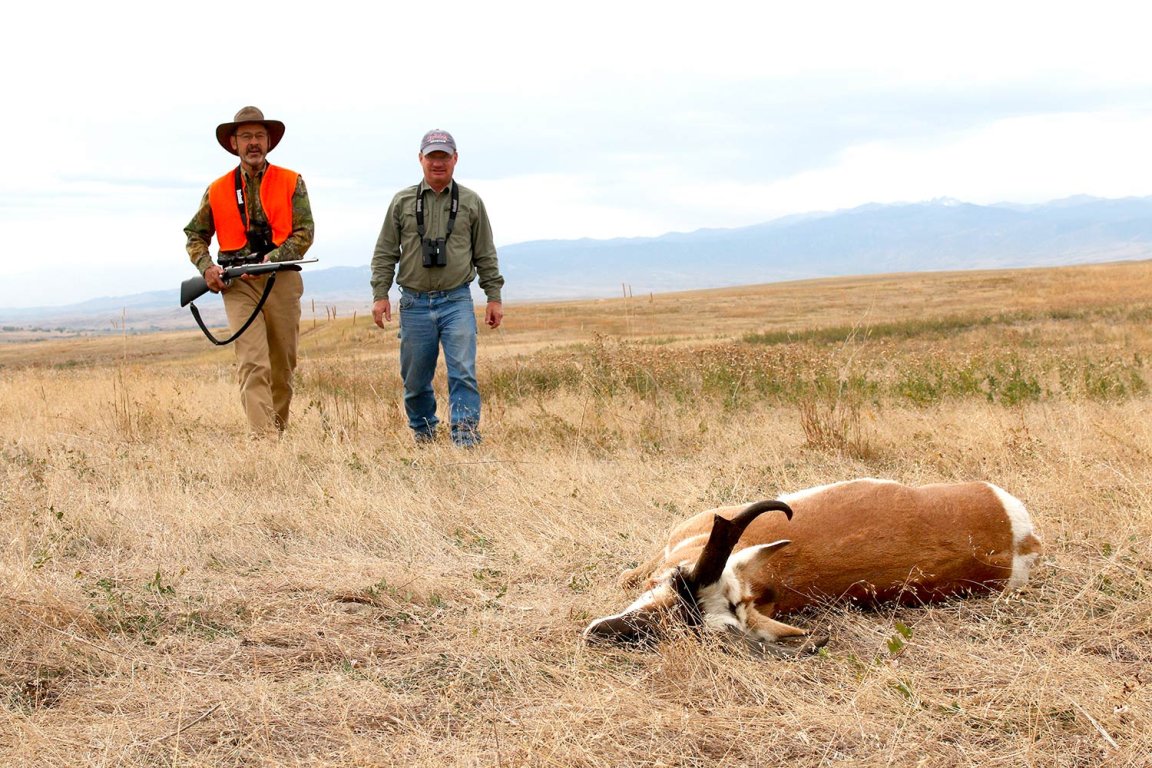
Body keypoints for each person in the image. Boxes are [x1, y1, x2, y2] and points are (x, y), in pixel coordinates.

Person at [184, 106, 315, 438]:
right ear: (233, 143)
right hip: (238, 285)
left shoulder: (291, 181)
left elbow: (305, 232)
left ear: (269, 141)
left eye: (259, 136)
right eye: (246, 137)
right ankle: (264, 444)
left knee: (282, 367)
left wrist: (272, 259)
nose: (253, 143)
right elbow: (194, 235)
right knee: (254, 364)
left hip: (281, 280)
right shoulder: (217, 189)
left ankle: (277, 433)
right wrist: (208, 268)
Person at [371, 129, 504, 447]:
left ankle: (465, 437)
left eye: (444, 156)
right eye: (432, 156)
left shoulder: (471, 202)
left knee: (463, 372)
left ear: (455, 159)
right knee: (415, 380)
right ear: (421, 159)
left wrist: (493, 296)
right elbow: (386, 251)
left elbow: (485, 252)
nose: (438, 163)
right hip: (414, 303)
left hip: (456, 299)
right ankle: (424, 433)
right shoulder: (402, 201)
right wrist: (380, 294)